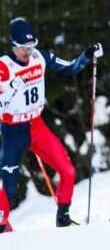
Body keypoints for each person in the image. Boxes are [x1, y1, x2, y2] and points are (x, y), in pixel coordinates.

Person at [0, 18, 102, 232]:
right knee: (8, 188)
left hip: (37, 127)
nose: (28, 52)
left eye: (31, 46)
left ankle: (63, 218)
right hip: (12, 132)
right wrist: (9, 88)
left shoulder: (40, 57)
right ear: (13, 45)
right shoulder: (3, 67)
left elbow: (71, 67)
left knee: (68, 170)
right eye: (23, 48)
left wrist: (87, 55)